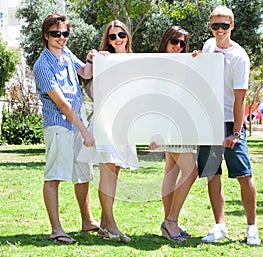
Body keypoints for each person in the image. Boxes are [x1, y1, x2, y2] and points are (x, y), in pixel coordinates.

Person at [194, 6, 261, 246]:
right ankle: (220, 225)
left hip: (230, 122)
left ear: (232, 26)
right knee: (212, 173)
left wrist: (235, 132)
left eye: (224, 25)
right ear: (210, 26)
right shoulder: (208, 46)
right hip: (208, 120)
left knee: (244, 174)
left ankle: (252, 228)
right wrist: (197, 58)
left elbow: (240, 98)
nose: (220, 30)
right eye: (215, 26)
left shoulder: (239, 56)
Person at [33, 14, 99, 243]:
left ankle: (87, 221)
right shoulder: (42, 65)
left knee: (83, 175)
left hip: (77, 122)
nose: (61, 38)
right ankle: (56, 229)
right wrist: (85, 132)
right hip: (60, 126)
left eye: (64, 34)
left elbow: (85, 73)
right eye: (55, 34)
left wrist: (92, 59)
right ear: (46, 35)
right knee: (54, 176)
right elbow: (63, 105)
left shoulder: (67, 54)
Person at [80, 20, 138, 242]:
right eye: (112, 36)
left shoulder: (135, 60)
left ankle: (105, 224)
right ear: (108, 39)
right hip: (106, 121)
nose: (117, 40)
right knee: (108, 171)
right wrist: (92, 61)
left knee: (115, 172)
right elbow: (91, 86)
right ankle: (111, 225)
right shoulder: (102, 59)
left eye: (121, 34)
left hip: (125, 124)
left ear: (127, 36)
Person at [150, 26, 198, 242]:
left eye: (182, 44)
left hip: (183, 124)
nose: (178, 47)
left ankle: (169, 223)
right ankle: (171, 221)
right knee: (191, 172)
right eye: (174, 42)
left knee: (171, 171)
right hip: (173, 126)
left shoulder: (182, 62)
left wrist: (197, 60)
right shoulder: (163, 65)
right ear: (166, 41)